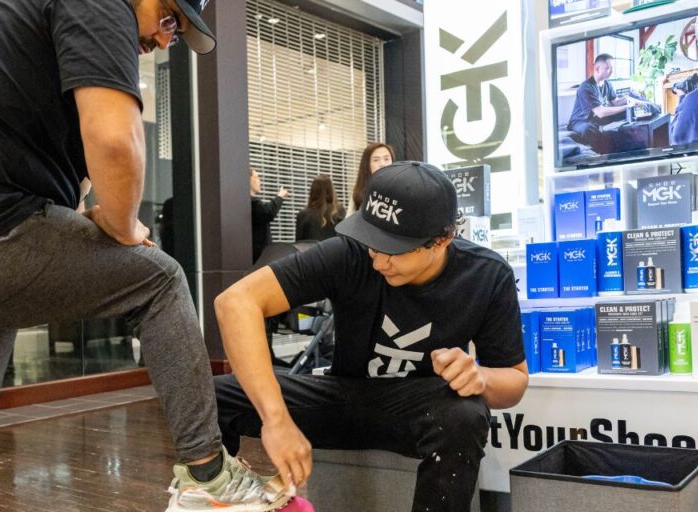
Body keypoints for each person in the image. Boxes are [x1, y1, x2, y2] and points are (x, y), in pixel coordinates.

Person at [0, 0, 290, 510]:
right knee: (158, 280)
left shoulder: (47, 37)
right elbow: (115, 141)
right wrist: (121, 223)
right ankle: (209, 478)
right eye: (168, 17)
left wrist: (88, 213)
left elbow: (75, 178)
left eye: (174, 33)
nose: (161, 39)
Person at [213, 161, 529, 512]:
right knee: (211, 396)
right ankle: (215, 495)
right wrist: (276, 419)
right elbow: (235, 303)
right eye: (372, 243)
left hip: (420, 412)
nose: (378, 261)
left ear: (442, 239)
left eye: (392, 249)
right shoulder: (351, 253)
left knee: (465, 413)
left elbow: (514, 381)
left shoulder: (487, 274)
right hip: (343, 397)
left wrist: (480, 377)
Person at [251, 168, 289, 264]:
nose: (260, 181)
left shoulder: (250, 202)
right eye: (257, 177)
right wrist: (280, 197)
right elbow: (268, 212)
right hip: (258, 256)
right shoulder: (252, 203)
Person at [295, 174, 346, 241]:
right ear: (331, 190)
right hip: (335, 251)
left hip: (313, 251)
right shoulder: (340, 212)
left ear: (312, 191)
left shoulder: (304, 215)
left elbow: (299, 245)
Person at [350, 142, 394, 211]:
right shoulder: (359, 193)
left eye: (386, 159)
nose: (382, 164)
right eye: (376, 160)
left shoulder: (400, 190)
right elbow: (349, 220)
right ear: (367, 165)